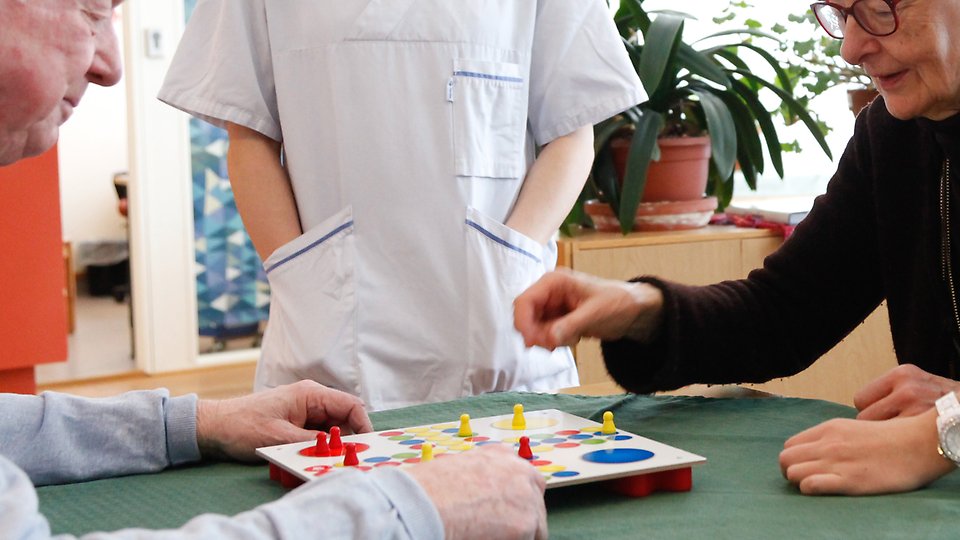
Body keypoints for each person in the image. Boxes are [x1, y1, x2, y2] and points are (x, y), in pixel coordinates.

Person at [1, 1, 548, 538]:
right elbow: (247, 128)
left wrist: (194, 423)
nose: (112, 67)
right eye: (92, 11)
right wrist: (402, 511)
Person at [514, 0, 960, 496]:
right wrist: (641, 310)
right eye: (840, 13)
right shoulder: (892, 135)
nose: (851, 48)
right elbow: (782, 314)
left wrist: (942, 433)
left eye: (878, 8)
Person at [158, 0, 647, 410]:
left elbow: (571, 132)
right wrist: (302, 282)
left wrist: (507, 264)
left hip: (495, 322)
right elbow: (250, 136)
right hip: (328, 331)